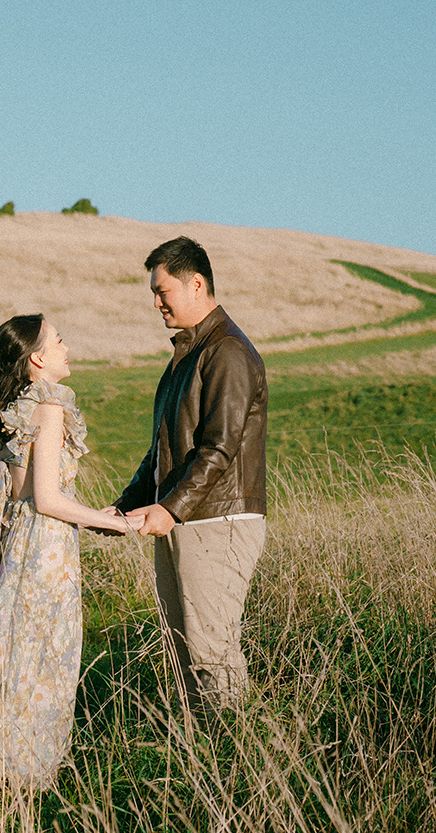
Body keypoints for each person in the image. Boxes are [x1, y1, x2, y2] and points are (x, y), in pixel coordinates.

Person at [0, 314, 141, 788]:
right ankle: (24, 766)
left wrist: (90, 513)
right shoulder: (47, 406)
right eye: (59, 341)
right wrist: (113, 522)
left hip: (22, 539)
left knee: (16, 650)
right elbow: (47, 499)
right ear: (39, 359)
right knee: (47, 653)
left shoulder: (18, 406)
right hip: (47, 546)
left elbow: (22, 493)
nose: (67, 348)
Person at [110, 236, 267, 715]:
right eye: (154, 294)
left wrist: (170, 509)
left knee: (211, 651)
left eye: (163, 292)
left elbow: (219, 449)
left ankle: (235, 747)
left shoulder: (227, 352)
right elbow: (162, 451)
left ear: (196, 284)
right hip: (183, 519)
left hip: (218, 523)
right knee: (183, 653)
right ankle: (198, 749)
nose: (156, 303)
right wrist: (123, 508)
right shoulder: (187, 355)